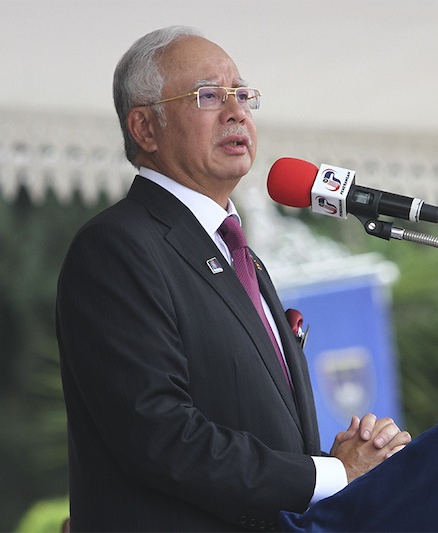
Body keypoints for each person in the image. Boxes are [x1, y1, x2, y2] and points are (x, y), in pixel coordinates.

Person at [56, 25, 411, 532]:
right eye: (208, 96)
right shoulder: (117, 246)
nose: (236, 111)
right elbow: (160, 437)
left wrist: (337, 464)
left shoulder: (236, 253)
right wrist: (329, 475)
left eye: (243, 94)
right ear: (145, 128)